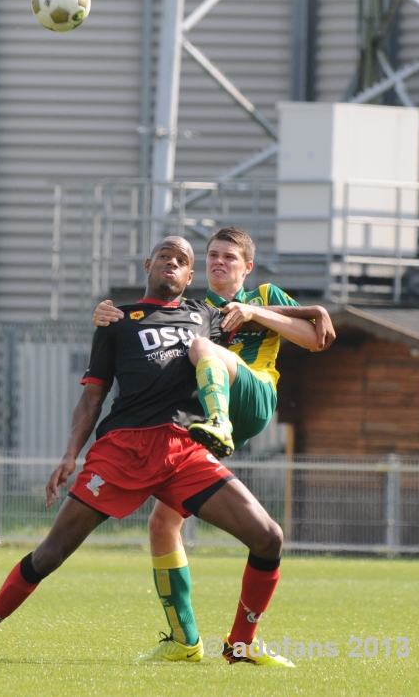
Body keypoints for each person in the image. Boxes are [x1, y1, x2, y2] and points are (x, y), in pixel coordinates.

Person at [0, 236, 295, 666]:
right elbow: (92, 398)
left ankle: (239, 645)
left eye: (182, 260)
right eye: (165, 256)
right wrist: (70, 456)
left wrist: (314, 311)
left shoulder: (208, 316)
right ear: (149, 265)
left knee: (268, 537)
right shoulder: (116, 320)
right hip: (122, 449)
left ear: (190, 278)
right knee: (50, 554)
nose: (172, 262)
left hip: (183, 449)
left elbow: (299, 329)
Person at [92, 226, 334, 663]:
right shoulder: (195, 308)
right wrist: (108, 316)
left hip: (254, 396)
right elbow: (150, 326)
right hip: (211, 421)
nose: (218, 263)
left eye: (228, 257)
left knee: (204, 347)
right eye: (212, 256)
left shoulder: (265, 296)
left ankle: (219, 418)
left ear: (247, 266)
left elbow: (314, 337)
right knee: (162, 524)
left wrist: (255, 313)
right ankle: (198, 642)